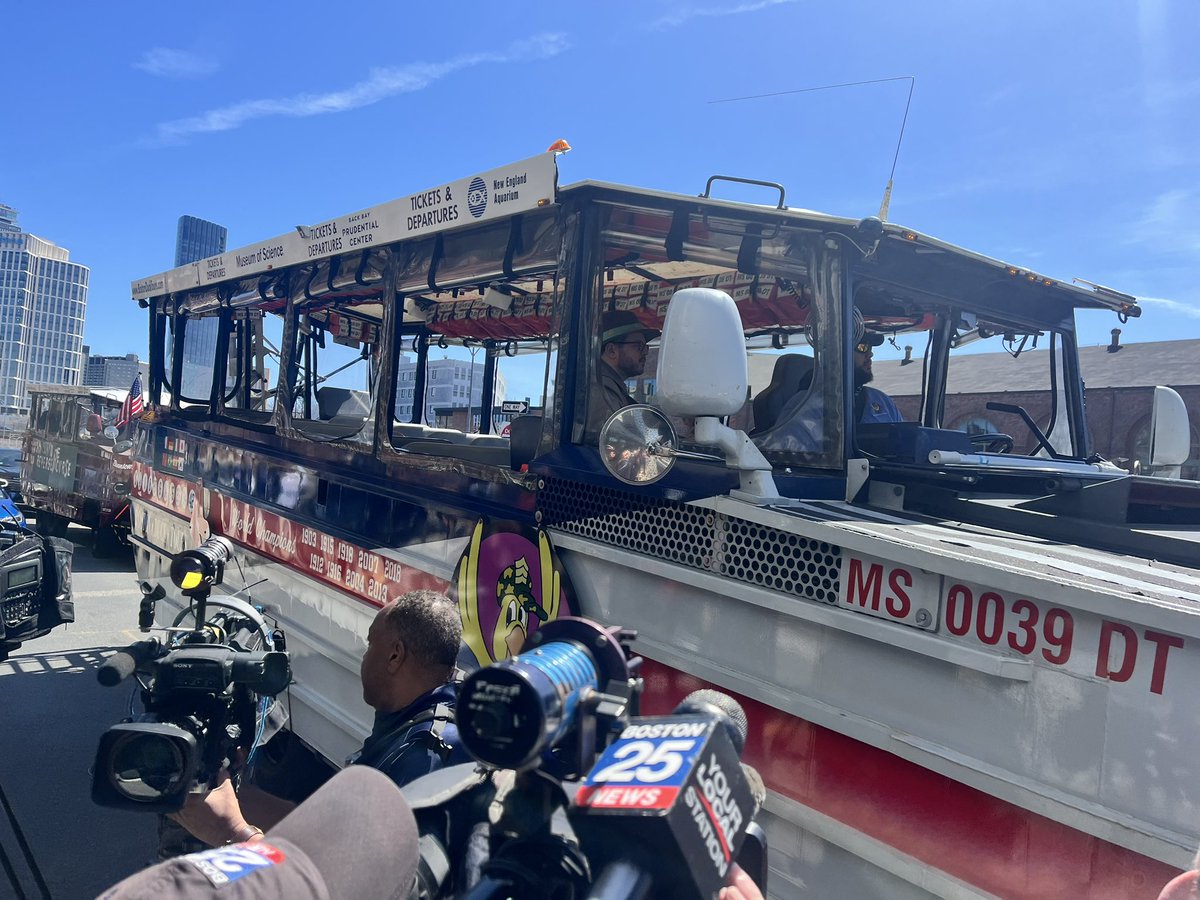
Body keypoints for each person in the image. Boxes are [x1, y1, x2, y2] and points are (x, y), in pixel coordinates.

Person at [171, 589, 469, 847]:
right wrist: (232, 791)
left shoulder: (423, 761)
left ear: (395, 656)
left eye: (369, 645)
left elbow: (352, 877)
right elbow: (328, 826)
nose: (364, 657)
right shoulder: (424, 719)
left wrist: (235, 834)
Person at [585, 309, 661, 440]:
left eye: (646, 347)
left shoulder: (610, 388)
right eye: (639, 346)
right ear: (612, 350)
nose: (645, 353)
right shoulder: (599, 390)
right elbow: (618, 441)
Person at [853, 332, 902, 424]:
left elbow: (902, 437)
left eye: (870, 348)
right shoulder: (820, 402)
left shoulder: (884, 402)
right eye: (862, 347)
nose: (870, 354)